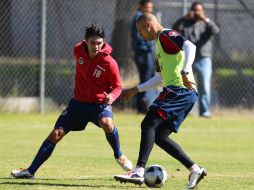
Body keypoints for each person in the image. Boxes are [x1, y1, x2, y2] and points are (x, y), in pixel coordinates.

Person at [11, 24, 132, 179]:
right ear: (85, 41)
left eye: (99, 43)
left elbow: (118, 87)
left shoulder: (110, 62)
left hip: (99, 105)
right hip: (78, 105)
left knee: (107, 123)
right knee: (56, 134)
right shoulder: (78, 51)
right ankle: (30, 171)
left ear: (103, 42)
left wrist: (112, 96)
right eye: (92, 43)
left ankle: (119, 155)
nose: (96, 46)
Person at [114, 13, 207, 189]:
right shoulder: (159, 45)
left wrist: (186, 71)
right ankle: (195, 169)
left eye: (140, 30)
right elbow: (159, 79)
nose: (140, 35)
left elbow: (190, 46)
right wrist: (134, 90)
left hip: (179, 91)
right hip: (181, 93)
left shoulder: (166, 35)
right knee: (160, 136)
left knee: (148, 123)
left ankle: (139, 170)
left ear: (148, 25)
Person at [172, 1, 220, 117]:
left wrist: (205, 19)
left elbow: (216, 31)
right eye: (195, 10)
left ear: (203, 11)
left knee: (204, 86)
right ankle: (182, 111)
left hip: (204, 58)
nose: (197, 12)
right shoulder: (186, 22)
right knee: (183, 84)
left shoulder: (206, 23)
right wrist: (184, 18)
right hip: (188, 58)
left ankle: (204, 112)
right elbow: (173, 29)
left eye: (199, 10)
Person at [131, 0, 156, 113]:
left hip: (147, 53)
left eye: (150, 7)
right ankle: (142, 106)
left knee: (148, 79)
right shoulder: (139, 18)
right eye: (146, 7)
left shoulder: (147, 18)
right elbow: (139, 37)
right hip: (143, 53)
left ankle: (144, 105)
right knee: (145, 79)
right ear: (140, 7)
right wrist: (149, 48)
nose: (149, 10)